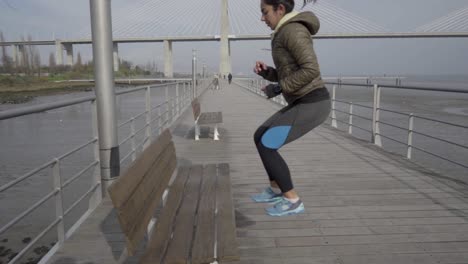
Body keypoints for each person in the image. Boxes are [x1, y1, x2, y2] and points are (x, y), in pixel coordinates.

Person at [251, 0, 331, 216]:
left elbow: (311, 70)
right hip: (302, 101)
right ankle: (276, 189)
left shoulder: (293, 31)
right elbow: (290, 71)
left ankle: (293, 200)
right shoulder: (283, 32)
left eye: (264, 12)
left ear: (280, 9)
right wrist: (267, 72)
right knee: (260, 136)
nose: (262, 18)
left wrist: (278, 88)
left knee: (268, 144)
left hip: (314, 102)